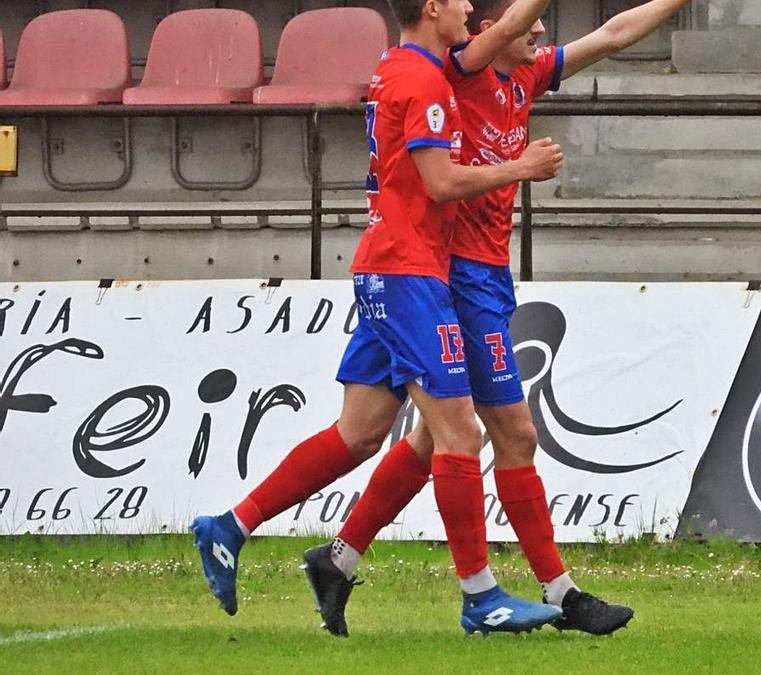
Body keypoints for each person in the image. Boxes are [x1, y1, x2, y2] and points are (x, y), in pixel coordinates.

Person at [302, 0, 694, 637]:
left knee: (429, 437)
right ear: (487, 28)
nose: (541, 32)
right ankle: (550, 596)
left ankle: (338, 559)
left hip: (473, 271)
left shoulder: (527, 75)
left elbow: (615, 31)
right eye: (530, 23)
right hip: (454, 273)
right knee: (509, 433)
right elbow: (513, 24)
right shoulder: (464, 66)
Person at [191, 0, 566, 636]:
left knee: (361, 433)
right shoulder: (425, 81)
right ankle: (480, 597)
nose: (472, 10)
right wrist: (522, 167)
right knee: (457, 431)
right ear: (432, 8)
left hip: (388, 263)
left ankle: (230, 526)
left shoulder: (400, 66)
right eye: (460, 2)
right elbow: (442, 183)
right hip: (410, 270)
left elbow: (504, 34)